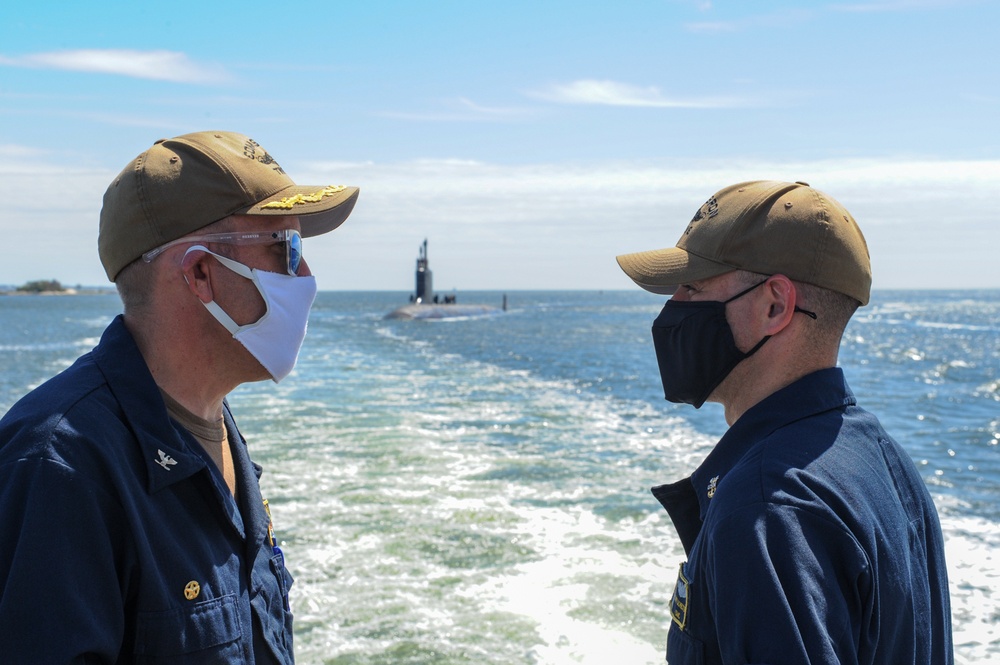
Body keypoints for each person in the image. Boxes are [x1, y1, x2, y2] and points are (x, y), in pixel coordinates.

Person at [0, 131, 359, 663]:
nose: (305, 277)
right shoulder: (60, 467)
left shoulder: (213, 421)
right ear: (199, 273)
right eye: (287, 249)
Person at [616, 181, 952, 664]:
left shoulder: (766, 509)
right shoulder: (882, 460)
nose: (674, 307)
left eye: (693, 286)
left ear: (775, 304)